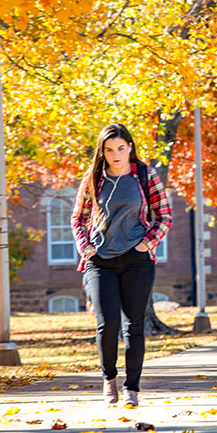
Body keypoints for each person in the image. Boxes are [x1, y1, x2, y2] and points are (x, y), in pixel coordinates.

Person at [71, 123, 172, 406]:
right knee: (108, 323)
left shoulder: (145, 175)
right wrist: (86, 248)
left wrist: (147, 243)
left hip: (136, 260)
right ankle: (109, 379)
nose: (116, 155)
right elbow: (78, 219)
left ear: (130, 148)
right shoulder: (93, 178)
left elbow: (164, 215)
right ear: (102, 152)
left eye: (121, 149)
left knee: (134, 325)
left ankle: (132, 389)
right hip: (100, 261)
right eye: (109, 150)